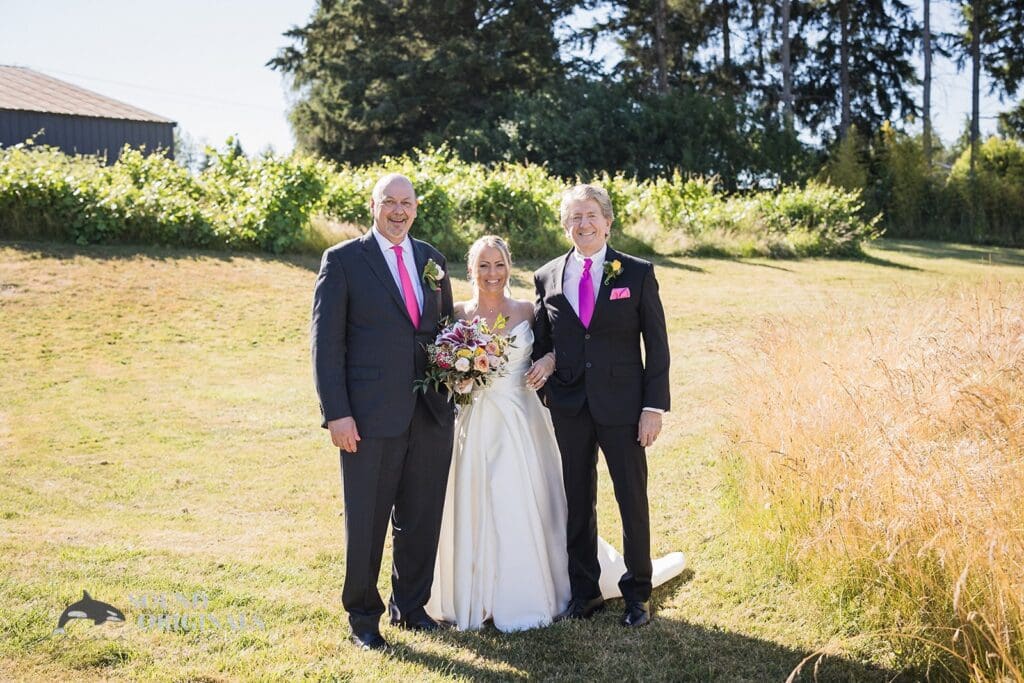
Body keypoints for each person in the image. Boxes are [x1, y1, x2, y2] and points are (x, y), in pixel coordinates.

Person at [426, 235, 683, 632]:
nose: (492, 273)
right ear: (470, 269)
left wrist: (548, 360)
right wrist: (457, 377)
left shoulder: (527, 310)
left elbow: (557, 345)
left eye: (499, 264)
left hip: (532, 417)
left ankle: (631, 591)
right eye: (483, 265)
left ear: (509, 267)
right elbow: (441, 361)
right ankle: (496, 593)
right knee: (552, 499)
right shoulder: (458, 313)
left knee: (581, 497)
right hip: (480, 422)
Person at [311, 173, 455, 651]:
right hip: (369, 417)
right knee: (367, 521)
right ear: (372, 207)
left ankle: (410, 607)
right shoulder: (343, 260)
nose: (398, 211)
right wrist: (337, 413)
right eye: (389, 202)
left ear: (416, 207)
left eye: (406, 202)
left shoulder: (432, 259)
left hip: (430, 413)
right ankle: (363, 618)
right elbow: (326, 344)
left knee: (422, 516)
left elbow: (444, 331)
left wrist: (459, 374)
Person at [533, 184, 671, 628]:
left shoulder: (637, 273)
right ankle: (585, 592)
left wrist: (653, 407)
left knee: (631, 497)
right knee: (576, 500)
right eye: (574, 217)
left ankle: (638, 593)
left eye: (591, 215)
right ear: (565, 225)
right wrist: (549, 383)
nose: (584, 224)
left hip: (624, 407)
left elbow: (657, 346)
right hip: (570, 407)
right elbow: (543, 341)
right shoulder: (547, 276)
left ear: (608, 222)